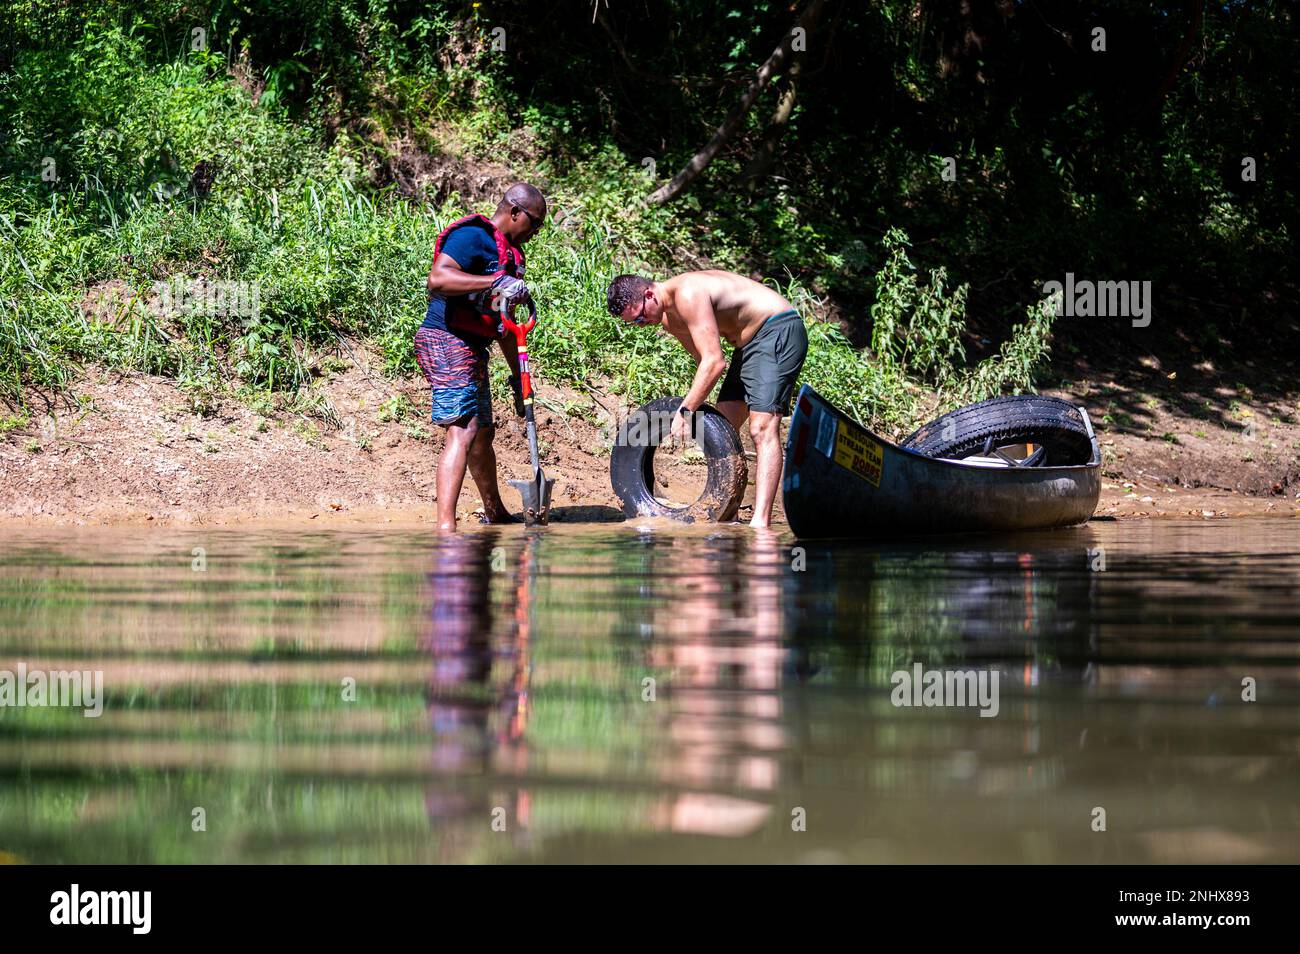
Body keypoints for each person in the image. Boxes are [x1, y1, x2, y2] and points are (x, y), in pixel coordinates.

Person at [606, 270, 808, 529]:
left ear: (649, 295)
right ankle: (729, 512)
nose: (641, 324)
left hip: (778, 328)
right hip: (747, 345)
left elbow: (715, 363)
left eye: (640, 317)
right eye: (634, 323)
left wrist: (685, 410)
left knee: (762, 427)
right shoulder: (670, 320)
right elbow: (705, 360)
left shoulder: (689, 293)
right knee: (724, 427)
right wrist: (690, 405)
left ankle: (761, 523)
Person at [416, 183, 547, 530]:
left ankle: (495, 512)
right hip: (444, 339)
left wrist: (521, 379)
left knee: (483, 432)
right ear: (515, 212)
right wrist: (493, 282)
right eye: (534, 225)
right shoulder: (473, 236)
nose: (535, 234)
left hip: (474, 346)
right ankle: (446, 527)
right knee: (463, 429)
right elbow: (437, 279)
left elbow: (504, 325)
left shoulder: (511, 256)